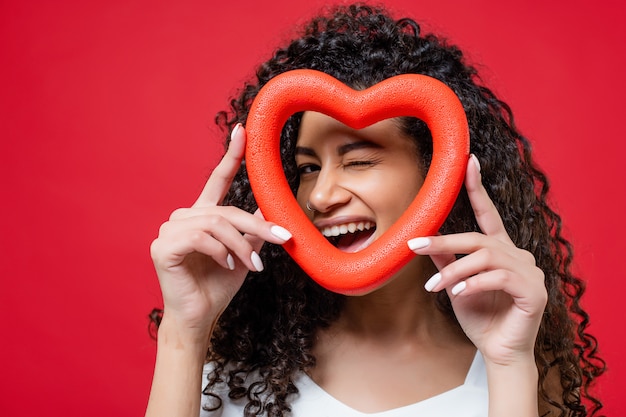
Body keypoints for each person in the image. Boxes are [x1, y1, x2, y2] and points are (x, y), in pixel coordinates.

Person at [145, 4, 604, 417]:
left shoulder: (516, 360)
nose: (320, 197)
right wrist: (183, 332)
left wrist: (509, 363)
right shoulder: (234, 365)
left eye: (359, 160)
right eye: (306, 167)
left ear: (437, 172)